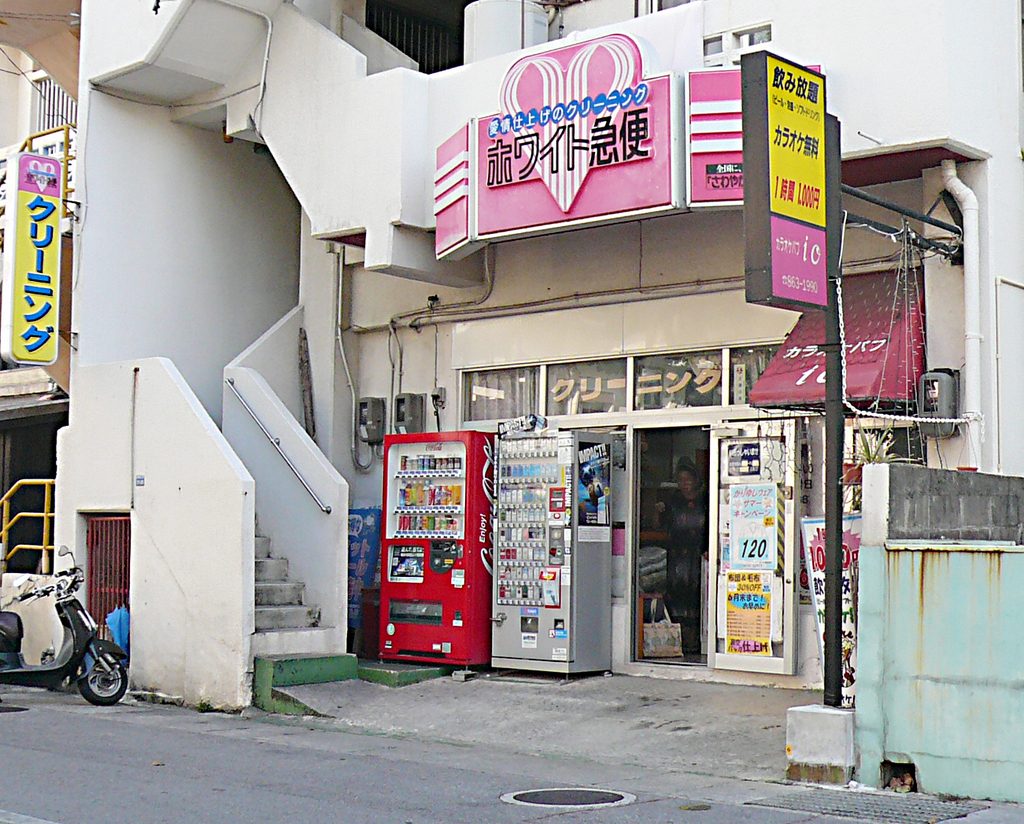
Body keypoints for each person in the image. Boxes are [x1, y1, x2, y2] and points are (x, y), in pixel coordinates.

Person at [656, 461, 708, 653]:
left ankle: (697, 641)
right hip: (677, 553)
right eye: (680, 480)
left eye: (688, 479)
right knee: (677, 593)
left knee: (697, 595)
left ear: (696, 480)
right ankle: (678, 640)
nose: (685, 484)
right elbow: (662, 525)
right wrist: (659, 511)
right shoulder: (673, 500)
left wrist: (708, 548)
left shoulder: (705, 499)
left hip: (698, 553)